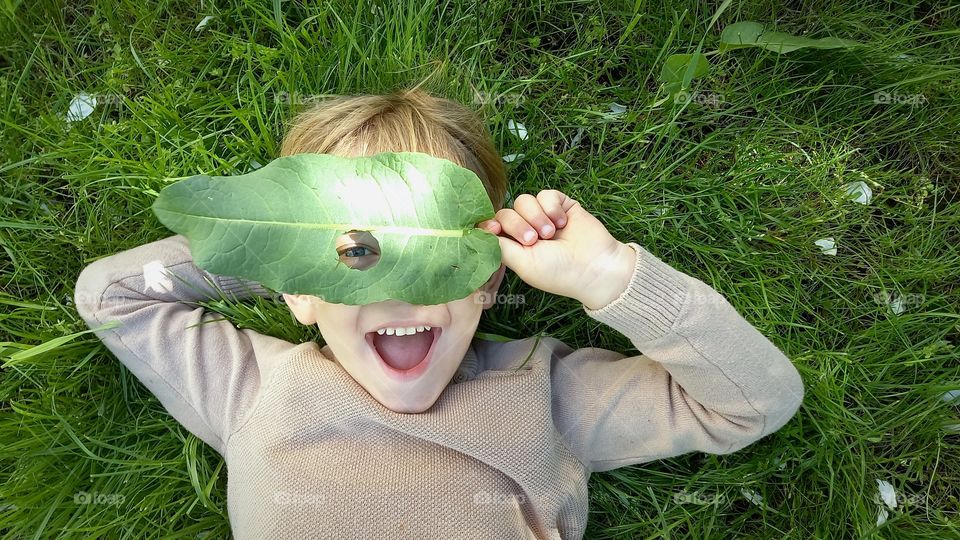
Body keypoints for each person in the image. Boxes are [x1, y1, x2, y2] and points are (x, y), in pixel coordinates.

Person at [74, 87, 804, 539]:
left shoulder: (542, 391)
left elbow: (754, 403)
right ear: (296, 289)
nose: (402, 293)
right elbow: (114, 294)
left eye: (433, 260)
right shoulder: (254, 390)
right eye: (358, 259)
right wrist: (280, 248)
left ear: (488, 279)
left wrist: (611, 278)